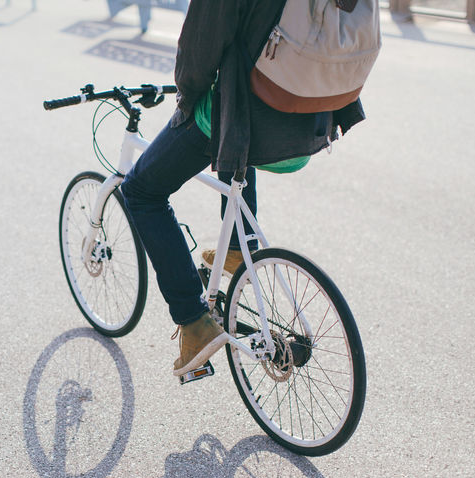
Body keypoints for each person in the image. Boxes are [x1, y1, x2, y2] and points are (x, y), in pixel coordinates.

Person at [119, 0, 365, 378]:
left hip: (253, 117)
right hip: (309, 122)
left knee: (140, 191)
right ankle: (238, 246)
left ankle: (193, 319)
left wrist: (185, 102)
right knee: (237, 126)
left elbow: (200, 47)